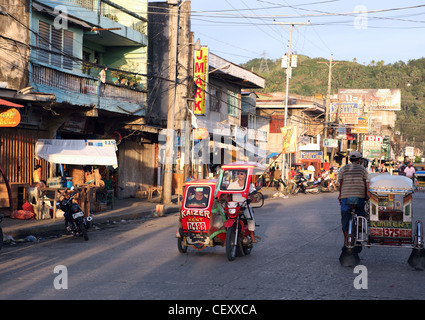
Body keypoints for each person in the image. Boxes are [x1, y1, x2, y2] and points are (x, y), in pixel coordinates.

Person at [338, 151, 368, 246]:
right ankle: (359, 223)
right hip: (359, 195)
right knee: (360, 210)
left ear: (350, 159)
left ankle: (345, 240)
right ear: (359, 160)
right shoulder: (362, 169)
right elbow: (365, 183)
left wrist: (340, 195)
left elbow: (341, 183)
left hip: (345, 196)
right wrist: (366, 194)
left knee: (345, 216)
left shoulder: (343, 169)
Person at [228, 170, 257, 243]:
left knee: (250, 218)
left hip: (245, 205)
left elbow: (252, 195)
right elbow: (226, 194)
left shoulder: (249, 185)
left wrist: (253, 198)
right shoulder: (232, 184)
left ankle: (252, 235)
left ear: (245, 175)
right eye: (238, 174)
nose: (239, 175)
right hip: (234, 206)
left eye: (241, 174)